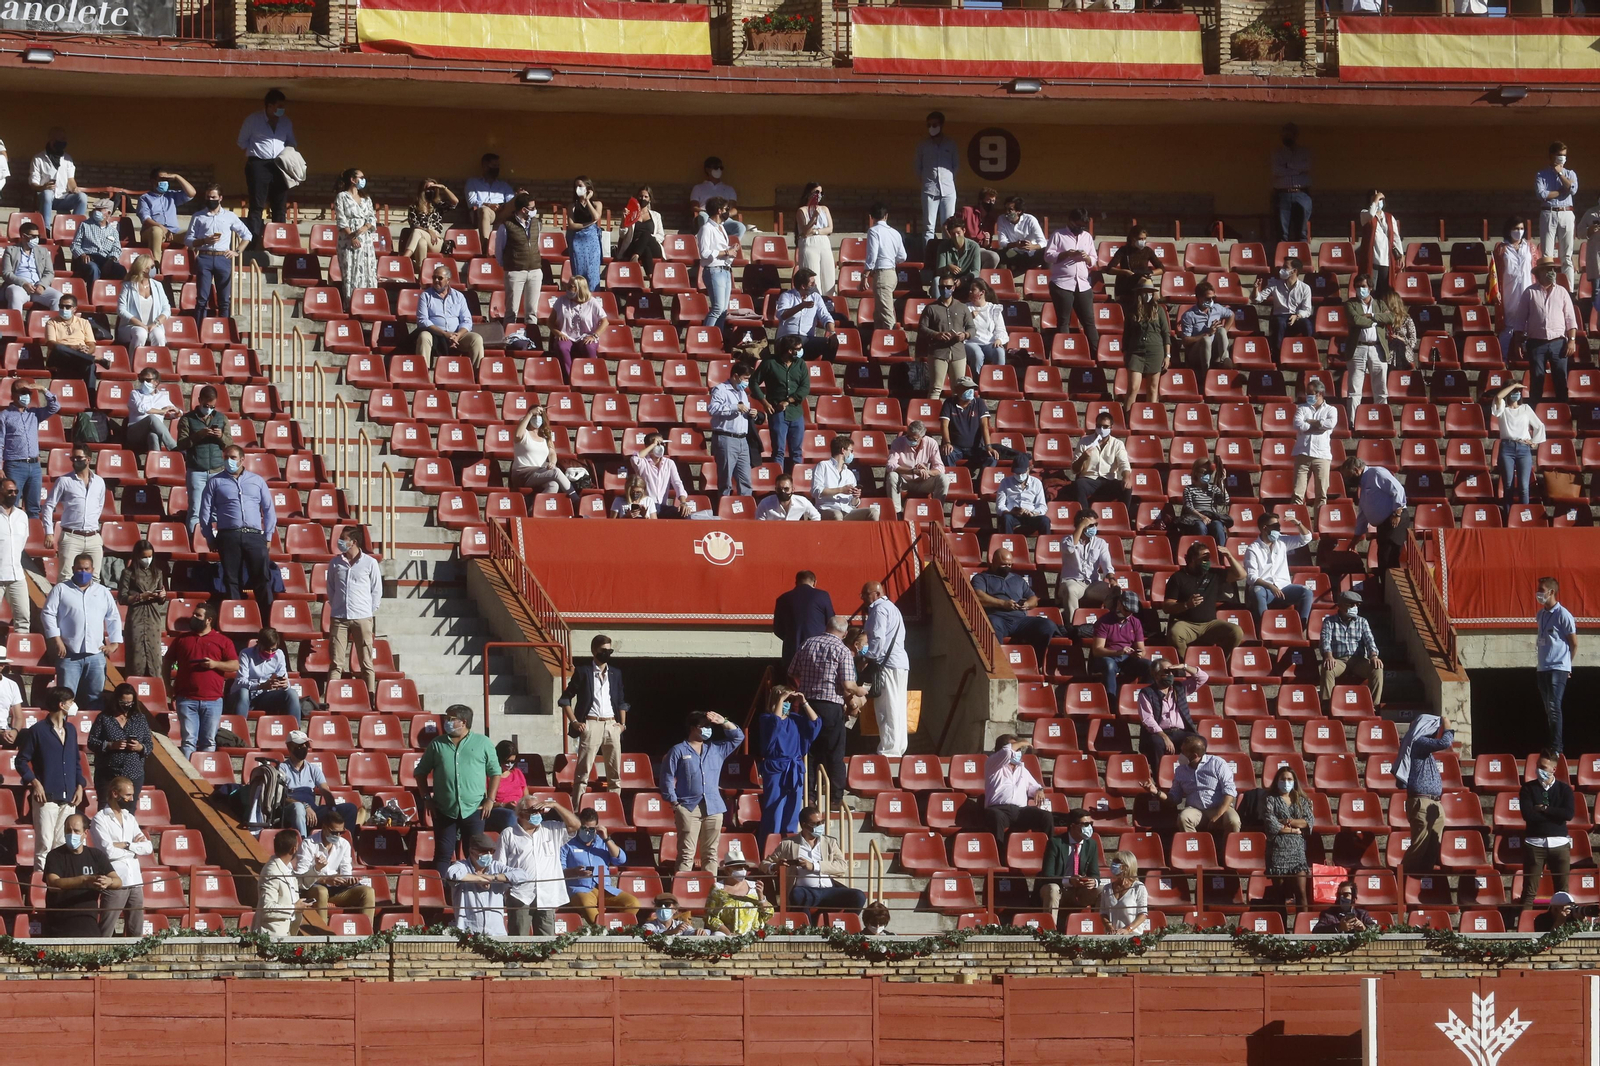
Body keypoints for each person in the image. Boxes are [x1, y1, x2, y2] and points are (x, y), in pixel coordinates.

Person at [414, 704, 501, 880]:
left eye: (451, 718)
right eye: (447, 718)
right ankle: (442, 893)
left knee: (476, 855)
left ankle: (473, 889)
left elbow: (495, 772)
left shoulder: (483, 742)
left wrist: (490, 799)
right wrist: (426, 798)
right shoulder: (437, 744)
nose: (447, 721)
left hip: (475, 809)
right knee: (443, 854)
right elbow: (420, 772)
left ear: (464, 721)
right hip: (444, 809)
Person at [791, 615, 869, 809]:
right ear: (843, 633)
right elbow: (848, 685)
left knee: (809, 752)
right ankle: (835, 799)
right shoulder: (842, 650)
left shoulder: (807, 644)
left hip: (807, 704)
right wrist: (861, 691)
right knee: (835, 752)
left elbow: (793, 671)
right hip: (830, 707)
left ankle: (808, 797)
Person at [661, 710, 744, 874]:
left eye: (709, 726)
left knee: (711, 854)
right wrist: (675, 803)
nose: (708, 730)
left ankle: (710, 892)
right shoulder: (678, 750)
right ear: (693, 727)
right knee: (686, 854)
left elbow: (738, 737)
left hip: (714, 807)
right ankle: (681, 894)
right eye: (703, 726)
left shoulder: (717, 749)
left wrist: (724, 721)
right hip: (688, 807)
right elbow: (667, 777)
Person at [197, 444, 277, 613]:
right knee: (232, 579)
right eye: (225, 457)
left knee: (261, 578)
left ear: (242, 459)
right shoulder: (215, 481)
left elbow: (269, 509)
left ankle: (266, 620)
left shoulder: (257, 481)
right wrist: (209, 537)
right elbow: (205, 512)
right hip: (228, 536)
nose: (228, 461)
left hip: (254, 535)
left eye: (232, 458)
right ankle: (237, 618)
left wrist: (268, 536)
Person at [15, 685, 86, 871]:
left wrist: (80, 785)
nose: (73, 705)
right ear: (62, 705)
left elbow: (75, 761)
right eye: (71, 701)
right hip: (46, 796)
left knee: (64, 844)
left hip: (70, 797)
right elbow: (21, 760)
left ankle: (60, 884)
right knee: (45, 844)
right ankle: (42, 886)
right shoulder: (38, 730)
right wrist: (35, 782)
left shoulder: (71, 729)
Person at [44, 554, 123, 711]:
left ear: (93, 570)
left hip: (95, 654)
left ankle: (92, 732)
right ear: (73, 569)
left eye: (86, 569)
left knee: (95, 697)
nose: (83, 571)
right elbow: (47, 613)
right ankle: (65, 731)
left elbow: (113, 616)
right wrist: (57, 640)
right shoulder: (61, 589)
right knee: (65, 699)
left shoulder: (102, 592)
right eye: (79, 568)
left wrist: (114, 643)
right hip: (69, 654)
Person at [558, 634, 628, 806]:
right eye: (603, 650)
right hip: (591, 723)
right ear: (594, 650)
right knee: (583, 773)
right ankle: (577, 810)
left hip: (612, 724)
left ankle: (613, 809)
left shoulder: (615, 673)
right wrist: (574, 721)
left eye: (609, 650)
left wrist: (622, 725)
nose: (606, 653)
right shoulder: (583, 672)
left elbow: (621, 701)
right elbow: (565, 698)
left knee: (615, 775)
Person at [764, 806, 865, 919]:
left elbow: (842, 865)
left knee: (858, 896)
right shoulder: (788, 844)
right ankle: (808, 928)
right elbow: (764, 864)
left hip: (829, 890)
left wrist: (814, 866)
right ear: (804, 825)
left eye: (821, 822)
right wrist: (775, 867)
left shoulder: (830, 842)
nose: (820, 826)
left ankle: (839, 927)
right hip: (805, 891)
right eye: (815, 824)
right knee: (797, 895)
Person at [496, 797, 579, 935]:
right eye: (534, 811)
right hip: (520, 894)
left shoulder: (551, 828)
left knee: (546, 941)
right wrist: (507, 890)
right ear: (521, 813)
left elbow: (575, 825)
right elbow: (500, 864)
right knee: (518, 940)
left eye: (540, 811)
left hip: (547, 894)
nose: (538, 815)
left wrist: (555, 805)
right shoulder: (509, 834)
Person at [162, 603, 236, 756]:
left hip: (213, 700)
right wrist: (167, 684)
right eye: (194, 614)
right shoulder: (182, 639)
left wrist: (215, 664)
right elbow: (167, 661)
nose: (193, 617)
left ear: (208, 620)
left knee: (209, 741)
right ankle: (190, 777)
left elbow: (234, 665)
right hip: (186, 698)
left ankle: (205, 777)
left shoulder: (223, 641)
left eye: (198, 615)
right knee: (188, 740)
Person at [1142, 734, 1241, 837]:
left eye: (1183, 752)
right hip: (1196, 810)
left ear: (1194, 756)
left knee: (1233, 821)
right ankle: (1196, 849)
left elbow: (1229, 791)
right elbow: (1174, 798)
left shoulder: (1218, 763)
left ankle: (1226, 850)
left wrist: (1218, 815)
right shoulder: (1181, 770)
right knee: (1183, 818)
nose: (1180, 755)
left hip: (1220, 808)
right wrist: (1156, 792)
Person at [755, 685, 821, 840]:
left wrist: (804, 703)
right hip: (776, 768)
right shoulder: (766, 718)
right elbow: (775, 724)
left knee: (793, 808)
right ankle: (770, 844)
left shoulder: (796, 720)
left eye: (789, 701)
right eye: (785, 700)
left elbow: (816, 724)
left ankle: (789, 841)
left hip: (794, 768)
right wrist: (780, 699)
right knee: (774, 809)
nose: (787, 703)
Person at [1161, 541, 1246, 660]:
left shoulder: (1213, 574)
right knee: (1175, 633)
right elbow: (1167, 606)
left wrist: (1229, 556)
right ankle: (1187, 665)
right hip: (1187, 624)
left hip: (1210, 624)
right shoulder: (1178, 578)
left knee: (1236, 632)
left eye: (1208, 558)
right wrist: (1186, 605)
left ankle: (1220, 661)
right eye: (1204, 558)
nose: (1207, 562)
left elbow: (1241, 575)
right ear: (1192, 560)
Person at [185, 183, 253, 323]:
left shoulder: (230, 216)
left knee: (224, 299)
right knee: (202, 299)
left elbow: (247, 235)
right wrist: (204, 240)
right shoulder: (198, 216)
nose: (210, 199)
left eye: (214, 197)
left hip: (223, 257)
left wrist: (237, 251)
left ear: (220, 198)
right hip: (205, 256)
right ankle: (199, 331)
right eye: (208, 197)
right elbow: (188, 240)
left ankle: (223, 332)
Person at [971, 547, 1056, 659]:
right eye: (1004, 564)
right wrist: (1003, 604)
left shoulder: (1017, 579)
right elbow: (978, 596)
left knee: (1047, 625)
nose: (1007, 567)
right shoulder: (981, 578)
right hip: (998, 618)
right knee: (992, 624)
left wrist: (1027, 604)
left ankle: (1035, 662)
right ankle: (998, 662)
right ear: (993, 561)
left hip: (1020, 620)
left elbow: (1033, 599)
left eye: (1010, 565)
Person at [327, 527, 382, 701]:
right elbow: (331, 589)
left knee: (366, 662)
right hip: (339, 618)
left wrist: (368, 611)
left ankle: (370, 697)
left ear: (354, 542)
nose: (340, 542)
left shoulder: (370, 563)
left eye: (343, 539)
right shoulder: (335, 563)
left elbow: (376, 590)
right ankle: (331, 698)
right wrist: (337, 606)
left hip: (362, 617)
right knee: (336, 662)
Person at [91, 775, 150, 936]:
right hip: (115, 878)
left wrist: (126, 844)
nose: (131, 799)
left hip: (135, 880)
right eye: (128, 795)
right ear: (115, 794)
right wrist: (132, 846)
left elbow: (148, 847)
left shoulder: (129, 818)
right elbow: (108, 851)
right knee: (107, 927)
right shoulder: (100, 819)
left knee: (136, 929)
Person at [295, 810, 376, 925]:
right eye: (334, 832)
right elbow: (301, 877)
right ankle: (323, 935)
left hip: (337, 890)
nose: (337, 836)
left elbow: (346, 870)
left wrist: (348, 880)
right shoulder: (308, 844)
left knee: (368, 892)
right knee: (321, 891)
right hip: (314, 889)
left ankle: (366, 937)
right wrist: (325, 879)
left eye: (341, 833)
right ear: (324, 828)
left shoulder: (344, 844)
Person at [1395, 712, 1454, 873]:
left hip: (1434, 803)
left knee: (1432, 848)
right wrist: (1447, 725)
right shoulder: (1418, 743)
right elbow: (1444, 742)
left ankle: (1423, 883)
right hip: (1422, 802)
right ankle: (1401, 881)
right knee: (1420, 846)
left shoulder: (1424, 750)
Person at [43, 812, 117, 937]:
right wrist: (84, 880)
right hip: (60, 924)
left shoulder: (96, 855)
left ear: (85, 833)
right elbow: (53, 883)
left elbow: (117, 880)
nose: (72, 835)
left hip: (88, 922)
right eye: (68, 830)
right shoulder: (55, 855)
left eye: (76, 831)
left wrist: (108, 881)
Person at [275, 729, 361, 837]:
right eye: (300, 745)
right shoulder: (282, 769)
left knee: (350, 808)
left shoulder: (313, 769)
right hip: (292, 810)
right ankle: (303, 843)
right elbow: (281, 798)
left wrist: (333, 811)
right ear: (289, 747)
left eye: (306, 744)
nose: (304, 748)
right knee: (298, 808)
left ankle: (345, 843)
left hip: (313, 809)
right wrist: (304, 806)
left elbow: (326, 792)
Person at [238, 89, 295, 247]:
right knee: (257, 205)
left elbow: (292, 142)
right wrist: (258, 154)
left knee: (280, 205)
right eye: (279, 106)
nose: (282, 109)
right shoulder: (253, 120)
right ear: (269, 106)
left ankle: (279, 242)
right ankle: (253, 242)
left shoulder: (286, 122)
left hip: (280, 165)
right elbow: (242, 141)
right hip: (258, 164)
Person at [1341, 455, 1408, 590]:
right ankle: (1386, 592)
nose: (1347, 480)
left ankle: (1393, 592)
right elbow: (1363, 514)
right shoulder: (1363, 485)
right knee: (1383, 559)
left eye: (1348, 475)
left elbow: (1398, 489)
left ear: (1356, 470)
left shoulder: (1376, 473)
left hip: (1394, 520)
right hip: (1383, 526)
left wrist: (1396, 513)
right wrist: (1355, 539)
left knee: (1389, 558)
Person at [562, 809, 640, 923]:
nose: (588, 831)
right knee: (587, 906)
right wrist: (575, 872)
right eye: (584, 828)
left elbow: (621, 859)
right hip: (580, 889)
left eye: (591, 829)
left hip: (604, 888)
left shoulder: (602, 842)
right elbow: (559, 871)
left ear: (596, 827)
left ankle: (617, 932)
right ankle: (602, 933)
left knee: (633, 903)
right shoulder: (568, 844)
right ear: (579, 826)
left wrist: (606, 838)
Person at [1520, 750, 1574, 911]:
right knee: (1529, 892)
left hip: (1560, 844)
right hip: (1534, 844)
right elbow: (1528, 815)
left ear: (1553, 769)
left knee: (1563, 892)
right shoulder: (1527, 789)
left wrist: (1544, 809)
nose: (1539, 770)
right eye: (1537, 766)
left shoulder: (1564, 790)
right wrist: (1554, 815)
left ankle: (1564, 929)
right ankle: (1524, 930)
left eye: (1543, 767)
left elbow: (1568, 814)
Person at [1043, 207, 1100, 358]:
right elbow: (1048, 256)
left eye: (1083, 226)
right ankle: (1064, 353)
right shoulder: (1058, 235)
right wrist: (1066, 254)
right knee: (1064, 321)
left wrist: (1086, 257)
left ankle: (1096, 353)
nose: (1080, 228)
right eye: (1078, 225)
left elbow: (1094, 258)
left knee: (1089, 321)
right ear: (1071, 221)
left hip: (1082, 284)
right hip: (1062, 283)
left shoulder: (1087, 237)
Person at [862, 581, 909, 759]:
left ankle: (889, 751)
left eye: (865, 595)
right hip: (899, 662)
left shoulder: (879, 609)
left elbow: (878, 638)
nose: (864, 599)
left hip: (887, 663)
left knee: (887, 707)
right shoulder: (892, 608)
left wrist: (868, 657)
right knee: (897, 706)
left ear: (876, 593)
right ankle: (898, 747)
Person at [1242, 511, 1314, 626]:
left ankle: (1301, 626)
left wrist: (1297, 523)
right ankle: (1264, 627)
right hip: (1266, 589)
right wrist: (1270, 586)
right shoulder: (1253, 549)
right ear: (1265, 528)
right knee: (1257, 591)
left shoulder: (1282, 541)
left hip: (1284, 587)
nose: (1278, 529)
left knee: (1307, 592)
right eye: (1275, 526)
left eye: (1278, 526)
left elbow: (1306, 538)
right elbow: (1251, 577)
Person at [753, 336, 811, 476]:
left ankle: (796, 481)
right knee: (778, 450)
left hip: (796, 412)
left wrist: (789, 400)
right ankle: (778, 480)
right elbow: (754, 382)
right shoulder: (770, 363)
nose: (801, 351)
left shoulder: (801, 364)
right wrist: (764, 402)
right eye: (798, 349)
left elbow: (805, 387)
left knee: (796, 451)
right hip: (777, 413)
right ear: (790, 350)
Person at [1524, 255, 1579, 403]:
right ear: (1538, 273)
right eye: (1547, 269)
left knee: (1560, 378)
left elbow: (1570, 319)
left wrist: (1572, 341)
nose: (1551, 272)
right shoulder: (1529, 292)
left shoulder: (1562, 292)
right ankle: (1535, 412)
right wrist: (1517, 340)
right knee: (1536, 378)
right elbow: (1520, 319)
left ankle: (1563, 411)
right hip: (1536, 343)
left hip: (1558, 343)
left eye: (1552, 269)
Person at [176, 385, 231, 533]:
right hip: (196, 470)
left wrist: (221, 436)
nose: (209, 408)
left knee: (216, 510)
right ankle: (194, 541)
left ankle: (215, 542)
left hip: (217, 470)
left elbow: (230, 445)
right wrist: (199, 435)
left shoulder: (222, 418)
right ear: (199, 400)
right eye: (206, 405)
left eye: (212, 406)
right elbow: (181, 443)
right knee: (196, 509)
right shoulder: (187, 419)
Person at [0, 383, 59, 520]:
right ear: (14, 394)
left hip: (34, 466)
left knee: (33, 507)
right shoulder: (5, 416)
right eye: (22, 392)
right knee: (11, 505)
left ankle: (33, 538)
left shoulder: (34, 413)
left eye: (28, 393)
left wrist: (43, 390)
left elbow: (55, 407)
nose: (26, 396)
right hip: (15, 465)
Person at [86, 684, 151, 804]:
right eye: (123, 702)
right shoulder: (104, 718)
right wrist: (110, 745)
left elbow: (149, 744)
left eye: (129, 703)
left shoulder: (140, 718)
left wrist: (140, 747)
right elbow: (92, 742)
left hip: (133, 773)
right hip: (108, 773)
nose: (126, 706)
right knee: (106, 810)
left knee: (128, 813)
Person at [983, 735, 1053, 842]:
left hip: (1020, 811)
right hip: (998, 809)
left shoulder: (1022, 769)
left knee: (1046, 817)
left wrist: (1039, 790)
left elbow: (1034, 786)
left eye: (1020, 750)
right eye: (1017, 749)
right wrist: (1022, 743)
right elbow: (1006, 752)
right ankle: (998, 855)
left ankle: (1049, 850)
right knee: (996, 817)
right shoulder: (993, 764)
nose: (1018, 752)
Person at [1536, 576, 1578, 754]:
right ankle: (1552, 743)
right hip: (1542, 667)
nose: (1538, 594)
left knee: (1554, 706)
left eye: (1542, 590)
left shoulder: (1563, 615)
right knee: (1548, 707)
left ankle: (1556, 747)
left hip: (1558, 667)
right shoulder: (1540, 614)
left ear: (1551, 592)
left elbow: (1574, 643)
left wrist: (1568, 665)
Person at [1319, 590, 1383, 706]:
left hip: (1358, 660)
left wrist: (1374, 656)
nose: (1354, 607)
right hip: (1339, 660)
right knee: (1327, 669)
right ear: (1341, 605)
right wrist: (1328, 656)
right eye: (1351, 604)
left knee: (1377, 668)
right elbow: (1325, 640)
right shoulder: (1329, 622)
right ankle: (1327, 705)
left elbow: (1370, 641)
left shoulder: (1362, 622)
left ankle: (1373, 706)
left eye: (1357, 605)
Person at [1491, 380, 1546, 514]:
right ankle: (1509, 515)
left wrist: (1534, 441)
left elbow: (1539, 425)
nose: (1515, 394)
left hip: (1523, 448)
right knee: (1508, 485)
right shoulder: (1502, 407)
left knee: (1524, 486)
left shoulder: (1525, 408)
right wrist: (1513, 386)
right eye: (1512, 392)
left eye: (1517, 392)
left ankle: (1524, 516)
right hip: (1507, 448)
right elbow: (1498, 397)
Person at [448, 832, 519, 936]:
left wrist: (493, 877)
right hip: (467, 933)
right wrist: (479, 879)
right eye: (484, 852)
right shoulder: (462, 865)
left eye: (492, 851)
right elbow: (452, 874)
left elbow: (521, 875)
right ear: (472, 851)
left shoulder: (496, 866)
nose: (489, 855)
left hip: (496, 933)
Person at [917, 268, 973, 399]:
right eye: (942, 287)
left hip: (958, 352)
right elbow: (921, 328)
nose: (945, 289)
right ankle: (931, 417)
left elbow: (972, 328)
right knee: (935, 388)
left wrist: (965, 335)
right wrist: (936, 334)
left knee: (958, 389)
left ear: (954, 287)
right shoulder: (931, 308)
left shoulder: (962, 307)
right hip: (938, 352)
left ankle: (955, 418)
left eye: (948, 286)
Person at [1343, 273, 1393, 420]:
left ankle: (1382, 420)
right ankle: (1353, 422)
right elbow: (1356, 320)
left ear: (1370, 288)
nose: (1360, 289)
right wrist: (1378, 319)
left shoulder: (1380, 303)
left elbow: (1390, 318)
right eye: (1357, 287)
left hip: (1378, 348)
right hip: (1358, 349)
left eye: (1363, 286)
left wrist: (1371, 316)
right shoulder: (1351, 304)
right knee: (1354, 390)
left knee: (1381, 389)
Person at [414, 263, 485, 365]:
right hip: (435, 335)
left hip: (456, 336)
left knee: (476, 339)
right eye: (434, 278)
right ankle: (423, 373)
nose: (436, 281)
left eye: (440, 278)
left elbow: (467, 321)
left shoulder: (458, 296)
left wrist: (458, 335)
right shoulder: (425, 296)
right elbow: (423, 321)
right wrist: (444, 334)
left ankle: (477, 375)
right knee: (424, 336)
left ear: (448, 280)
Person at [1263, 764, 1313, 908]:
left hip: (1297, 852)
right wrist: (1293, 830)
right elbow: (1271, 825)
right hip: (1277, 851)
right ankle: (1281, 930)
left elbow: (1308, 822)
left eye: (1289, 779)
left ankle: (1302, 929)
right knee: (1279, 895)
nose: (1286, 782)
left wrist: (1286, 822)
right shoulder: (1270, 799)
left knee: (1301, 892)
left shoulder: (1302, 800)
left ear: (1294, 781)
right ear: (1277, 781)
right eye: (1283, 779)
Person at [1040, 808, 1102, 919]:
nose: (1089, 827)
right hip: (1059, 889)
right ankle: (1049, 931)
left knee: (1102, 890)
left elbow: (1095, 874)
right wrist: (1069, 881)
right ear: (1073, 825)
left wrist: (1093, 882)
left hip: (1080, 891)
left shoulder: (1091, 844)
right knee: (1052, 888)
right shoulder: (1055, 842)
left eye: (1090, 824)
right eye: (1085, 824)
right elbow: (1047, 875)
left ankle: (1099, 928)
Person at [226, 627, 299, 720]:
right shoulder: (246, 654)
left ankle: (296, 731)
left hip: (264, 696)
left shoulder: (279, 654)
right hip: (245, 695)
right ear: (259, 644)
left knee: (291, 693)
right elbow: (241, 682)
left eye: (273, 649)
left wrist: (284, 684)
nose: (270, 653)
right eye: (267, 649)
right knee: (243, 692)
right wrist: (260, 685)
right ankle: (240, 729)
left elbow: (284, 677)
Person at [1136, 659, 1203, 760]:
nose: (1170, 675)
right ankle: (1158, 774)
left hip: (1181, 732)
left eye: (1172, 672)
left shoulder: (1180, 687)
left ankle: (1192, 774)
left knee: (1200, 742)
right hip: (1159, 733)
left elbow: (1203, 677)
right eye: (1166, 672)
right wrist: (1164, 736)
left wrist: (1184, 666)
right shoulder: (1146, 693)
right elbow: (1147, 719)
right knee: (1156, 743)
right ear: (1156, 675)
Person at [494, 192, 543, 329]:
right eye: (532, 208)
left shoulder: (536, 224)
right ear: (523, 209)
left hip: (535, 271)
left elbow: (536, 244)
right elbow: (499, 249)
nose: (534, 211)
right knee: (511, 311)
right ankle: (509, 340)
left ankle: (532, 340)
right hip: (515, 272)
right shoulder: (506, 226)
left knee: (532, 311)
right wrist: (510, 265)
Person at [44, 295, 113, 391]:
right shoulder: (51, 322)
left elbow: (92, 345)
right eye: (61, 306)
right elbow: (51, 344)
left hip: (79, 357)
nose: (64, 309)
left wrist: (85, 352)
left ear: (75, 309)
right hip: (59, 358)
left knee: (90, 365)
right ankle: (94, 359)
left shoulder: (84, 323)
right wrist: (73, 347)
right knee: (58, 347)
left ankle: (91, 400)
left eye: (67, 307)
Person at [1091, 591, 1150, 701]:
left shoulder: (1135, 622)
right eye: (1126, 609)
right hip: (1109, 657)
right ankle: (1111, 700)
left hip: (1127, 658)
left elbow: (1141, 647)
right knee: (1109, 665)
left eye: (1131, 611)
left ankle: (1146, 699)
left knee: (1150, 666)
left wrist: (1139, 653)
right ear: (1119, 604)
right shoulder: (1104, 622)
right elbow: (1097, 650)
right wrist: (1118, 652)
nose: (1128, 613)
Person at [709, 359, 754, 501]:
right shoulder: (720, 389)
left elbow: (743, 411)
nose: (747, 382)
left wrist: (752, 413)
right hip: (726, 438)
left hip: (742, 440)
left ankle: (746, 511)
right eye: (745, 378)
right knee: (726, 481)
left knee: (745, 480)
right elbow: (712, 409)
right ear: (735, 376)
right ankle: (723, 509)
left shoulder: (743, 393)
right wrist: (735, 407)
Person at [1537, 141, 1579, 288]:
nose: (1562, 158)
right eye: (1559, 155)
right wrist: (1561, 192)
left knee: (1567, 255)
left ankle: (1569, 289)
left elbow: (1572, 189)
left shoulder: (1570, 173)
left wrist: (1560, 173)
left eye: (1564, 155)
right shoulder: (1541, 174)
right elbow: (1542, 194)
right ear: (1551, 156)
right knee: (1547, 255)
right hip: (1548, 213)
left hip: (1567, 212)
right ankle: (1550, 286)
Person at [1057, 511, 1116, 616]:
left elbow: (1107, 564)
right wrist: (1081, 526)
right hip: (1073, 581)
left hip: (1092, 583)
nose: (1094, 527)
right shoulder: (1066, 540)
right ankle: (1073, 626)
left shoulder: (1100, 543)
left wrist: (1112, 579)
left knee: (1115, 591)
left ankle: (1109, 624)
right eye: (1091, 525)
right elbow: (1070, 548)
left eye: (1096, 525)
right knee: (1070, 590)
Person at [1073, 410, 1133, 511]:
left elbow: (1124, 464)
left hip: (1108, 480)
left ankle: (1123, 517)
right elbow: (1075, 469)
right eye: (1099, 426)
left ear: (1111, 427)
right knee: (1079, 484)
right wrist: (1083, 458)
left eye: (1105, 427)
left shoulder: (1117, 444)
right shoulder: (1084, 442)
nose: (1101, 429)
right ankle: (1085, 517)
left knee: (1127, 487)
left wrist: (1126, 477)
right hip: (1089, 479)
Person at [510, 405, 573, 501]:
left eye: (539, 416)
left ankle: (535, 512)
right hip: (522, 473)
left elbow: (552, 452)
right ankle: (577, 500)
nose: (537, 418)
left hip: (539, 473)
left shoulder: (545, 436)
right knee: (556, 472)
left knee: (553, 485)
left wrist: (552, 462)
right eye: (534, 416)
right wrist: (530, 413)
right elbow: (518, 435)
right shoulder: (524, 433)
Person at [772, 269, 837, 363]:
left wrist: (832, 332)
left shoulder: (816, 297)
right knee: (791, 346)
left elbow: (825, 316)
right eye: (812, 283)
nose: (815, 285)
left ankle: (825, 370)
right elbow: (782, 315)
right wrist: (801, 306)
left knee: (832, 343)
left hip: (807, 340)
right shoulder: (787, 296)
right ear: (803, 286)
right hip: (787, 338)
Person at [333, 166, 378, 302]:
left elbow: (372, 216)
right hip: (348, 239)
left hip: (365, 239)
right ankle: (351, 302)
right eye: (361, 177)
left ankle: (368, 302)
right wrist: (352, 237)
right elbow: (341, 219)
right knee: (351, 271)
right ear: (353, 180)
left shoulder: (366, 198)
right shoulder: (342, 197)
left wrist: (366, 227)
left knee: (367, 270)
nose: (363, 180)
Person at [548, 274, 605, 379]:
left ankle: (591, 377)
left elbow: (605, 321)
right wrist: (558, 333)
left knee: (589, 347)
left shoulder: (592, 302)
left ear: (580, 289)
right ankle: (569, 378)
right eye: (567, 286)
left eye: (571, 287)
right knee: (562, 347)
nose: (567, 289)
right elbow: (550, 322)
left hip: (586, 335)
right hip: (566, 334)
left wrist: (595, 335)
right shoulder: (561, 301)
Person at [774, 571, 834, 670]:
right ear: (815, 582)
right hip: (818, 652)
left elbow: (777, 629)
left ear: (796, 582)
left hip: (792, 651)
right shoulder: (822, 596)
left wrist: (791, 638)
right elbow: (831, 622)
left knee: (792, 684)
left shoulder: (782, 599)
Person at [812, 433, 880, 521]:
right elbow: (816, 491)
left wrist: (856, 496)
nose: (852, 454)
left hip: (847, 511)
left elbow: (853, 503)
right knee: (837, 515)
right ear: (843, 450)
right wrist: (840, 490)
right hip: (826, 508)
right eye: (851, 451)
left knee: (873, 512)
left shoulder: (849, 474)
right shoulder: (823, 466)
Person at [915, 111, 958, 249]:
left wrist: (948, 179)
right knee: (928, 227)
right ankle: (928, 258)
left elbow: (955, 166)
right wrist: (926, 181)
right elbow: (917, 167)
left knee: (948, 226)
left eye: (934, 124)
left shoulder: (950, 144)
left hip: (948, 190)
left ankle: (947, 256)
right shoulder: (923, 145)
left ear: (941, 125)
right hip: (929, 189)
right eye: (929, 125)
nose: (931, 127)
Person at [886, 420, 947, 515]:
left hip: (924, 482)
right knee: (892, 476)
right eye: (908, 436)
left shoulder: (932, 443)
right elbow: (890, 465)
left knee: (944, 478)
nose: (909, 440)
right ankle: (896, 513)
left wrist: (927, 471)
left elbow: (940, 468)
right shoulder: (898, 442)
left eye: (914, 439)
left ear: (922, 437)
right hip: (904, 481)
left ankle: (937, 511)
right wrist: (912, 471)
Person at [1496, 216, 1536, 362]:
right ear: (1509, 230)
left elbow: (1536, 269)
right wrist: (1496, 291)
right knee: (1509, 325)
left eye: (1521, 229)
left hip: (1527, 289)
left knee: (1528, 325)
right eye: (1515, 229)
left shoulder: (1530, 247)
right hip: (1509, 291)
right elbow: (1495, 272)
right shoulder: (1501, 248)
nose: (1519, 232)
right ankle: (1503, 357)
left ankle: (1526, 358)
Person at [1291, 379, 1336, 508]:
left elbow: (1330, 424)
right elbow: (1298, 424)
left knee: (1321, 495)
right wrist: (1319, 425)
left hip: (1322, 456)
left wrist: (1310, 421)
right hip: (1302, 453)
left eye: (1310, 393)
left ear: (1319, 393)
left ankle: (1319, 525)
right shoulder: (1301, 408)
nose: (1307, 396)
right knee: (1297, 494)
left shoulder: (1331, 410)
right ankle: (1295, 525)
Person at [29, 127, 86, 229]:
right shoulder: (39, 158)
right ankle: (45, 229)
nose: (64, 142)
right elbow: (33, 183)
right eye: (61, 139)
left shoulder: (68, 159)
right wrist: (43, 187)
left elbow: (70, 180)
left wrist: (74, 188)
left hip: (63, 198)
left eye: (65, 140)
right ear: (52, 140)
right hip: (45, 199)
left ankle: (76, 229)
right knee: (47, 193)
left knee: (82, 197)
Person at [940, 377, 998, 475]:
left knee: (992, 457)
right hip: (956, 447)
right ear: (957, 389)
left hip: (976, 449)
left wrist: (988, 446)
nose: (970, 390)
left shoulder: (979, 403)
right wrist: (947, 442)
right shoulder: (949, 403)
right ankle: (954, 481)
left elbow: (984, 425)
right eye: (967, 388)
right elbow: (944, 425)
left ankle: (981, 483)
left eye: (972, 388)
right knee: (946, 454)